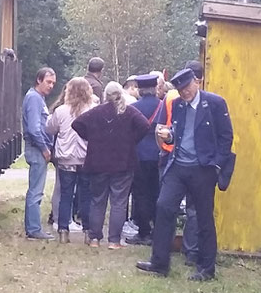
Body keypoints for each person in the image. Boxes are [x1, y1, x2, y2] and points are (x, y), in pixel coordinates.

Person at [137, 64, 233, 281]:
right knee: (163, 207)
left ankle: (206, 269)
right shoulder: (177, 105)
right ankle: (160, 263)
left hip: (203, 168)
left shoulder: (215, 103)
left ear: (196, 83)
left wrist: (216, 165)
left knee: (203, 217)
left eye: (187, 88)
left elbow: (226, 136)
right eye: (180, 90)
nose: (185, 93)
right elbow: (177, 135)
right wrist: (168, 137)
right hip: (178, 165)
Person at [70, 81, 152, 248]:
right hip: (123, 163)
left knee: (98, 200)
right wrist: (131, 141)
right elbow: (145, 125)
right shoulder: (129, 112)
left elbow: (76, 124)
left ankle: (94, 239)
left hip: (98, 162)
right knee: (119, 202)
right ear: (120, 93)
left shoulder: (96, 112)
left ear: (105, 95)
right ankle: (114, 241)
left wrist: (91, 137)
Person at [44, 77, 94, 242]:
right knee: (86, 195)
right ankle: (88, 231)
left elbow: (50, 129)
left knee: (66, 195)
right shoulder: (93, 110)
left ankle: (63, 231)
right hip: (87, 157)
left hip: (66, 158)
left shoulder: (61, 111)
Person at [127, 73, 165, 246]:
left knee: (140, 194)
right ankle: (159, 230)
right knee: (157, 193)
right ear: (155, 88)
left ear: (140, 90)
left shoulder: (133, 108)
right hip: (159, 154)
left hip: (139, 155)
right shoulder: (163, 106)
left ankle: (143, 232)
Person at [22, 67, 57, 239]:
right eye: (48, 82)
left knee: (35, 189)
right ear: (39, 80)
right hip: (36, 149)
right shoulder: (34, 99)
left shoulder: (38, 98)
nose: (51, 86)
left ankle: (33, 227)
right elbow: (34, 129)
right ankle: (34, 229)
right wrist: (44, 149)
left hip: (37, 148)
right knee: (36, 190)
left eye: (53, 83)